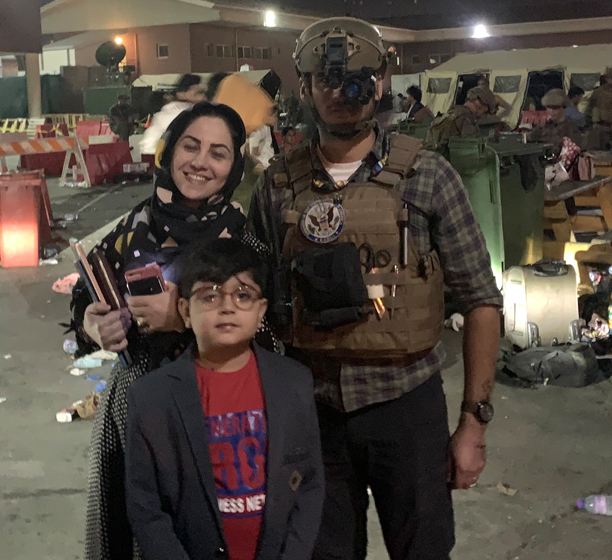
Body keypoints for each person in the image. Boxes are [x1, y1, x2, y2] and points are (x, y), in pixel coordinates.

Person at [249, 17, 502, 560]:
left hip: (405, 403)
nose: (344, 92)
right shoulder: (275, 185)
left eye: (359, 78)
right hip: (312, 409)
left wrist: (473, 424)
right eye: (329, 80)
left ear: (382, 82)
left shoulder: (428, 176)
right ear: (305, 85)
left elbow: (481, 299)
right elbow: (252, 299)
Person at [77, 102, 278, 560]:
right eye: (191, 146)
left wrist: (184, 317)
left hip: (220, 407)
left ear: (233, 167)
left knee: (206, 531)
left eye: (218, 153)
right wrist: (93, 324)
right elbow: (84, 301)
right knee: (133, 532)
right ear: (169, 152)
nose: (200, 162)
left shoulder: (243, 242)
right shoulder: (130, 229)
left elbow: (272, 334)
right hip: (135, 399)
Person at [125, 237, 323, 560]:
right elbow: (146, 508)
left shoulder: (293, 383)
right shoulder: (152, 398)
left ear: (261, 312)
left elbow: (310, 484)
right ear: (185, 312)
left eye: (243, 295)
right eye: (210, 295)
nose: (227, 306)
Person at [140, 74, 206, 155]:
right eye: (198, 93)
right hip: (159, 157)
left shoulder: (175, 110)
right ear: (181, 94)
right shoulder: (178, 113)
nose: (203, 98)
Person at [426, 85, 497, 148]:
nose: (482, 115)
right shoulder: (465, 117)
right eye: (484, 112)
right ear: (479, 104)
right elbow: (473, 144)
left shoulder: (452, 112)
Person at [528, 89, 583, 155]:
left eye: (555, 108)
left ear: (563, 107)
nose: (551, 111)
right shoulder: (543, 127)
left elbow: (575, 152)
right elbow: (529, 138)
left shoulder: (570, 128)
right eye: (549, 107)